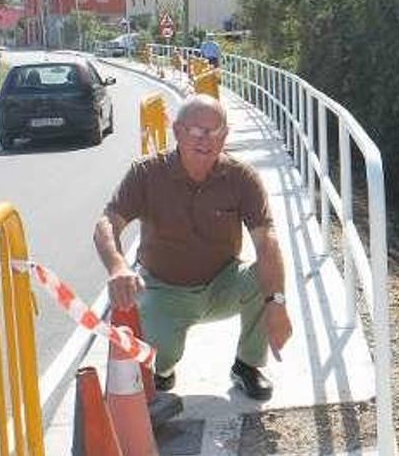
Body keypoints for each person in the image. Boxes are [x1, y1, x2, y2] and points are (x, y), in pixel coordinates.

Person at [93, 95, 292, 400]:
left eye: (215, 132)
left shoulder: (242, 177)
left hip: (221, 285)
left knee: (261, 279)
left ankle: (247, 365)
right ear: (177, 131)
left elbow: (267, 242)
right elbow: (107, 224)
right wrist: (118, 266)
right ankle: (164, 368)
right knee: (154, 366)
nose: (206, 140)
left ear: (225, 135)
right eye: (197, 131)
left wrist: (277, 303)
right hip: (164, 290)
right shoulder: (146, 173)